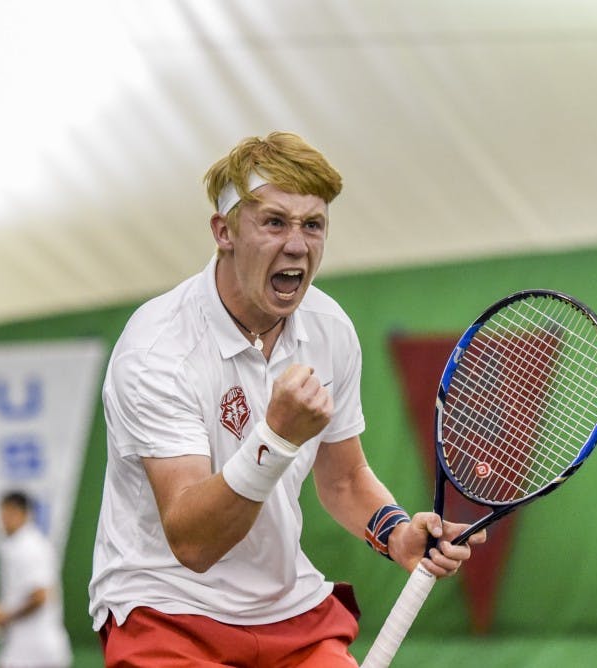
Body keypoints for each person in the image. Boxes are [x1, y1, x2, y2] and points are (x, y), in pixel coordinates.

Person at [88, 131, 487, 666]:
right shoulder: (157, 349)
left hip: (286, 611)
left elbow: (343, 479)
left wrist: (395, 533)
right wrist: (275, 439)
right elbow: (193, 543)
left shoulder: (330, 330)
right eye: (274, 221)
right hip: (165, 608)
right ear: (223, 231)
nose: (297, 244)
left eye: (313, 224)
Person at [0, 491, 73, 668]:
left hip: (35, 651)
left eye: (5, 513)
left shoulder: (29, 547)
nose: (1, 520)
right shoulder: (18, 546)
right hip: (25, 647)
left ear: (19, 512)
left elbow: (40, 596)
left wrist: (5, 617)